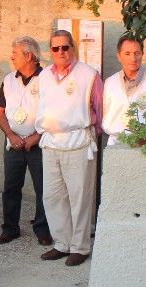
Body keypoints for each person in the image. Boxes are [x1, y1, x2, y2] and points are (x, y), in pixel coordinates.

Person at [34, 29, 103, 267]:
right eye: (56, 48)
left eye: (65, 47)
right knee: (53, 197)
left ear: (73, 48)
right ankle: (61, 243)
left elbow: (99, 109)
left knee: (80, 197)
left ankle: (80, 247)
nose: (61, 52)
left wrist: (93, 135)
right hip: (51, 143)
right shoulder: (43, 76)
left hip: (78, 143)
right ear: (50, 51)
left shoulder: (89, 75)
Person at [0, 36, 51, 247]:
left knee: (43, 189)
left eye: (15, 53)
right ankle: (10, 229)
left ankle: (43, 229)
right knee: (10, 187)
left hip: (40, 144)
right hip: (13, 144)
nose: (11, 56)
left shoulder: (47, 79)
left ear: (29, 56)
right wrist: (11, 135)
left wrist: (36, 136)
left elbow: (54, 113)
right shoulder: (8, 80)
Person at [101, 34, 146, 145]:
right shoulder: (110, 82)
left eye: (137, 53)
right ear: (119, 56)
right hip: (116, 144)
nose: (133, 58)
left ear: (142, 54)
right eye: (127, 53)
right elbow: (105, 114)